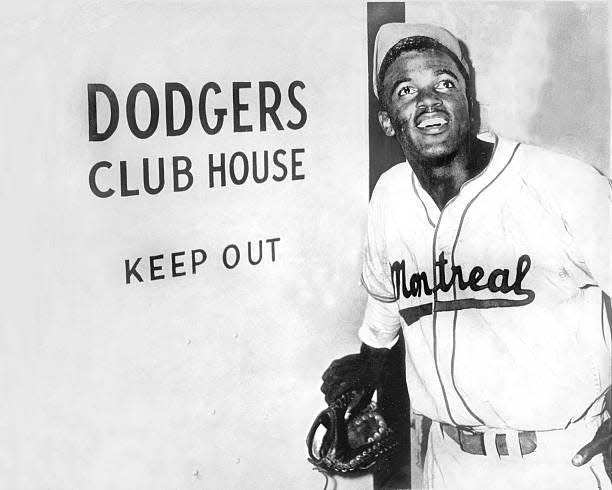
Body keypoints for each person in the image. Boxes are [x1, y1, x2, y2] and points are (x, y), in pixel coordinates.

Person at [321, 23, 611, 489]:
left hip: (560, 462)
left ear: (469, 103)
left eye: (445, 83)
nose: (428, 100)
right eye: (405, 90)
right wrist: (363, 376)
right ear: (387, 120)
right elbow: (382, 314)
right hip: (448, 463)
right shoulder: (391, 197)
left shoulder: (562, 183)